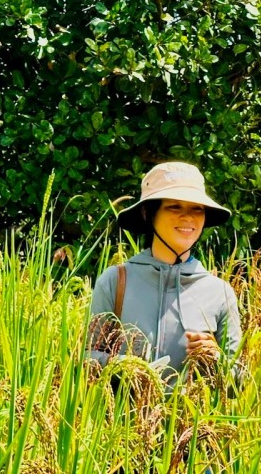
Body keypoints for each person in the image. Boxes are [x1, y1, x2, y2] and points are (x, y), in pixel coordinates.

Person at [88, 161, 241, 384]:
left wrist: (215, 359)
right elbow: (85, 360)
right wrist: (124, 366)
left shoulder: (219, 292)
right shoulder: (116, 280)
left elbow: (238, 382)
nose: (188, 217)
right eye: (175, 207)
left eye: (197, 208)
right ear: (148, 214)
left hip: (192, 418)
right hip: (123, 418)